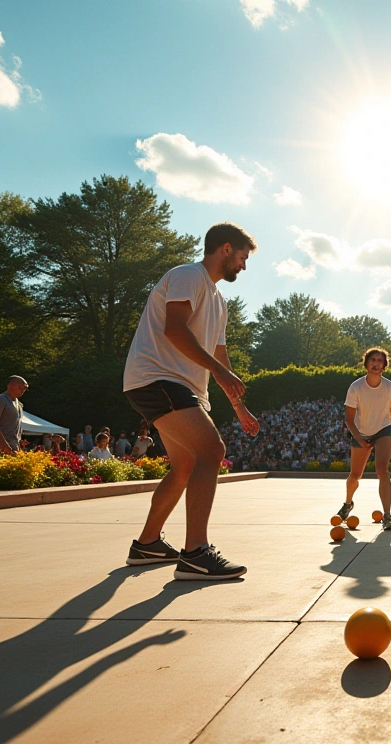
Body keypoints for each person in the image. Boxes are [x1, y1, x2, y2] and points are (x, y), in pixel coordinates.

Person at [122, 222, 260, 580]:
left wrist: (238, 405)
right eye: (243, 258)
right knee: (212, 451)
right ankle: (196, 553)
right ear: (225, 249)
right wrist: (219, 370)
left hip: (177, 385)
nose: (243, 267)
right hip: (159, 378)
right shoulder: (188, 275)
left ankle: (147, 545)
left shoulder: (217, 300)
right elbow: (174, 329)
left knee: (185, 466)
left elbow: (219, 355)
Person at [337, 347, 391, 531]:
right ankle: (348, 503)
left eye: (380, 361)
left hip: (384, 429)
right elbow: (349, 420)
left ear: (384, 365)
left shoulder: (389, 387)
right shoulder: (356, 387)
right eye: (373, 360)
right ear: (366, 364)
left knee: (382, 469)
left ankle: (388, 515)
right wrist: (359, 439)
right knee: (355, 475)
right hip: (361, 431)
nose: (376, 363)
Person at [0, 376, 28, 455]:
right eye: (20, 387)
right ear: (10, 385)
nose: (23, 390)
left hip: (13, 447)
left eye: (25, 388)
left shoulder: (18, 404)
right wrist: (3, 443)